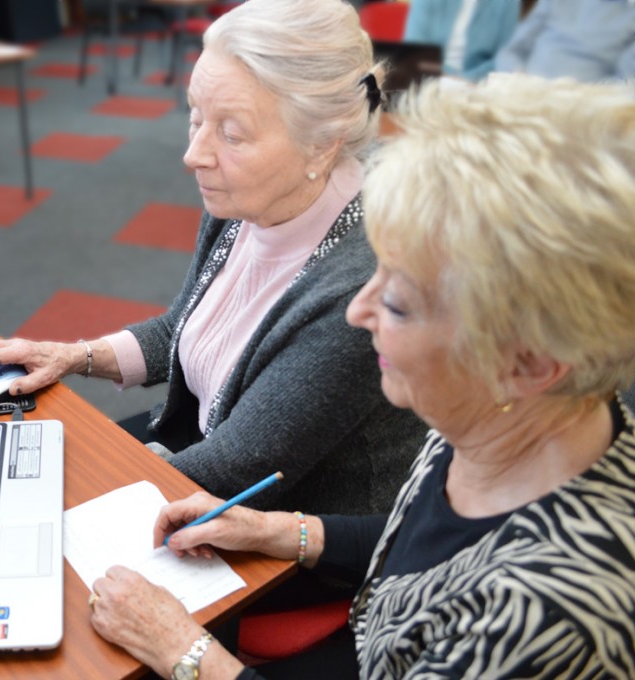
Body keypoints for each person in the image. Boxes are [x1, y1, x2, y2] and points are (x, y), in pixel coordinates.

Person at [86, 73, 635, 679]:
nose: (357, 310)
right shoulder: (514, 419)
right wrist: (282, 531)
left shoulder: (543, 620)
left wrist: (185, 653)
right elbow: (432, 537)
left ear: (526, 364)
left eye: (399, 302)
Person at [0, 0, 426, 515]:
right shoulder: (249, 195)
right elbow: (184, 329)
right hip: (201, 447)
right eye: (196, 116)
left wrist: (40, 504)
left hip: (284, 518)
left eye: (231, 133)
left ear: (322, 146)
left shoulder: (357, 289)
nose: (194, 154)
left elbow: (235, 469)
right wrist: (73, 355)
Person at [494, 0, 635, 81]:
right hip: (523, 88)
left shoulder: (630, 19)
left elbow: (623, 84)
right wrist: (517, 74)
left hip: (577, 109)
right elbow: (511, 51)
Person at [402, 0, 520, 81]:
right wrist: (440, 78)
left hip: (479, 86)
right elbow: (414, 49)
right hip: (427, 80)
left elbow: (504, 58)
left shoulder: (507, 3)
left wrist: (466, 80)